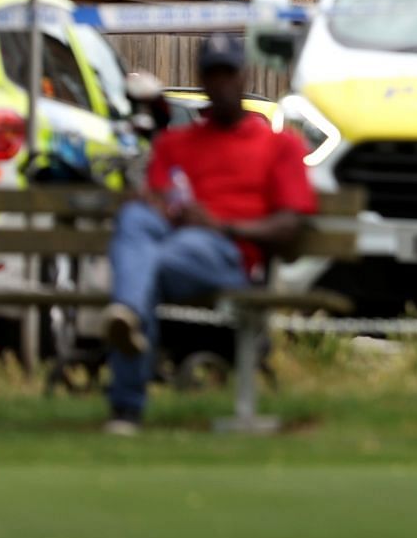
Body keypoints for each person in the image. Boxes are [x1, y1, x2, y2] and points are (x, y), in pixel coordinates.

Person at [102, 33, 316, 435]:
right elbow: (158, 201)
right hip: (170, 239)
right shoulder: (174, 143)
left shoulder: (280, 145)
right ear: (201, 80)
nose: (220, 84)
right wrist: (157, 205)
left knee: (149, 264)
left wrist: (222, 225)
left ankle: (125, 409)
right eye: (212, 75)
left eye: (228, 74)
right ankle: (127, 316)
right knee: (134, 219)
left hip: (226, 252)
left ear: (243, 76)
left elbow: (291, 225)